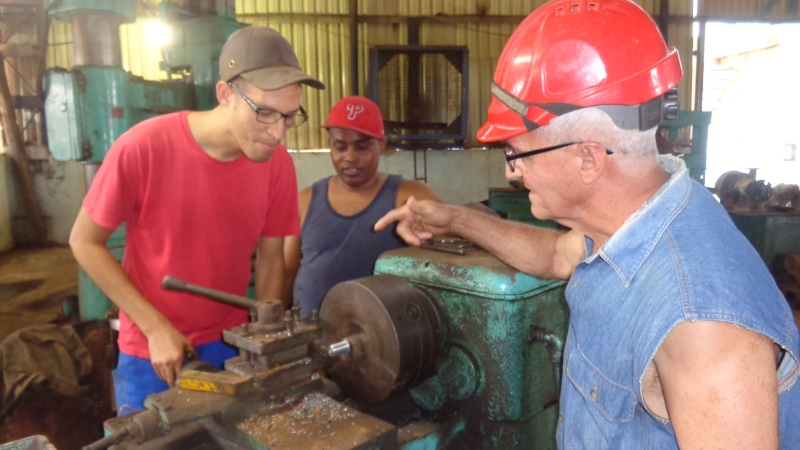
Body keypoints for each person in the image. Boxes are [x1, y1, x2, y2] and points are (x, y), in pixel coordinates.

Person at [375, 1, 800, 449]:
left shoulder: (701, 324)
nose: (511, 174)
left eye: (516, 153)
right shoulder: (637, 221)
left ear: (588, 158)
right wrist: (457, 219)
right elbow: (557, 255)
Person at [69, 26, 324, 412]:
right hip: (151, 349)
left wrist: (266, 336)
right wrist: (154, 328)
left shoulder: (277, 166)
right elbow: (84, 242)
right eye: (265, 113)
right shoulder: (144, 147)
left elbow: (271, 256)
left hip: (232, 342)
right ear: (225, 95)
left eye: (289, 118)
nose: (278, 134)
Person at [285, 96, 440, 315]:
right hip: (312, 338)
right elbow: (287, 271)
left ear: (382, 146)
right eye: (340, 147)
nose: (350, 157)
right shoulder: (305, 201)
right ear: (329, 146)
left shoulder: (408, 197)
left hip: (387, 339)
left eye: (362, 147)